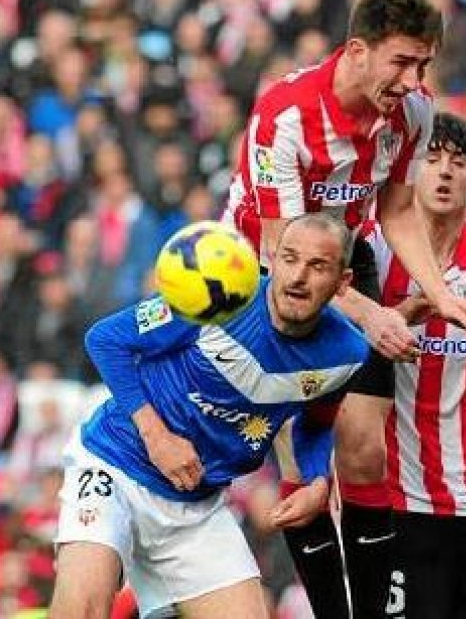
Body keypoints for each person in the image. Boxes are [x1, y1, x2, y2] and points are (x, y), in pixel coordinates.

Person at [220, 0, 466, 615]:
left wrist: (442, 294)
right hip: (270, 268)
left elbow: (395, 212)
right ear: (358, 51)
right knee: (302, 461)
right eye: (402, 62)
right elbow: (288, 255)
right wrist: (372, 317)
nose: (413, 80)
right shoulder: (285, 117)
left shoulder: (414, 111)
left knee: (365, 449)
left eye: (424, 64)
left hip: (347, 253)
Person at [49, 213, 371, 619]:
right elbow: (105, 339)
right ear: (273, 259)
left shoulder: (347, 354)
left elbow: (317, 423)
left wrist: (317, 479)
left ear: (343, 282)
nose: (298, 277)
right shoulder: (220, 298)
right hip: (115, 465)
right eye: (290, 258)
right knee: (81, 608)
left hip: (197, 506)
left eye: (318, 266)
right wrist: (157, 436)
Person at [337, 111, 466, 617]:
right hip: (397, 507)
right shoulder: (373, 249)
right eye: (431, 159)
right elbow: (333, 314)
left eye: (459, 162)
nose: (445, 171)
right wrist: (404, 312)